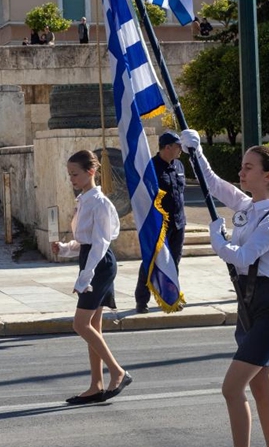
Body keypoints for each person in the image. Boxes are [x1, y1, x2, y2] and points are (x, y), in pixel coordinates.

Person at [179, 129, 269, 447]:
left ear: (268, 176)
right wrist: (195, 151)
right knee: (261, 389)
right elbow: (213, 183)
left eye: (248, 168)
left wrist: (217, 238)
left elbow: (243, 258)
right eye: (242, 167)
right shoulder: (246, 206)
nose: (241, 172)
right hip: (248, 305)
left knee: (231, 388)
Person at [51, 150, 132, 405]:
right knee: (92, 328)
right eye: (70, 174)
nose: (72, 178)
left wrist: (85, 278)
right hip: (92, 260)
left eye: (75, 174)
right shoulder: (84, 200)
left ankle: (118, 372)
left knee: (80, 325)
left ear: (91, 172)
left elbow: (100, 244)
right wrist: (65, 248)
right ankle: (96, 385)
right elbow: (85, 242)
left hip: (99, 265)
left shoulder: (100, 203)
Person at [135, 131, 186, 314]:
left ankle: (172, 299)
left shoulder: (179, 166)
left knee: (174, 262)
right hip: (159, 225)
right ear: (167, 147)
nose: (180, 149)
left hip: (178, 222)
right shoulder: (151, 168)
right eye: (177, 146)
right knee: (151, 262)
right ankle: (142, 301)